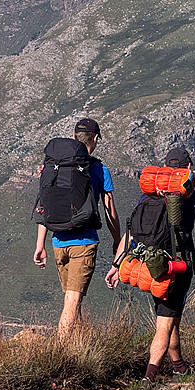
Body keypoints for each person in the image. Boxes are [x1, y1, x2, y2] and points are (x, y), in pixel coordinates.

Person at [105, 146, 195, 383]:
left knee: (170, 314)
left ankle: (179, 365)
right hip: (175, 269)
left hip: (148, 264)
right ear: (188, 168)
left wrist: (116, 265)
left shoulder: (149, 195)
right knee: (165, 321)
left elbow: (131, 234)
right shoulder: (194, 198)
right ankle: (150, 375)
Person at [34, 118, 121, 335]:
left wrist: (40, 245)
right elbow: (110, 210)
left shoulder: (56, 165)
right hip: (84, 243)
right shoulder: (100, 169)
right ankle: (59, 357)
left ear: (74, 137)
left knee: (74, 301)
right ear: (96, 138)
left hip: (57, 242)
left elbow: (45, 202)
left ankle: (79, 349)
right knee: (72, 303)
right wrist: (118, 241)